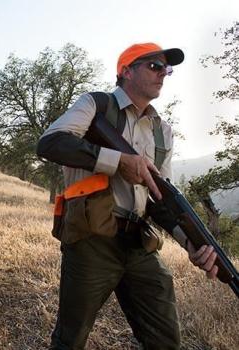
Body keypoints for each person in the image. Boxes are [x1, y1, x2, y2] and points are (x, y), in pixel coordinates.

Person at [36, 43, 219, 349]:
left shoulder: (163, 131)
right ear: (125, 71)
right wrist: (118, 162)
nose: (163, 74)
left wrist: (191, 243)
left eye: (167, 69)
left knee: (166, 340)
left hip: (140, 245)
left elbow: (161, 198)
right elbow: (50, 144)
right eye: (154, 66)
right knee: (71, 339)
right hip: (92, 239)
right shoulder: (95, 104)